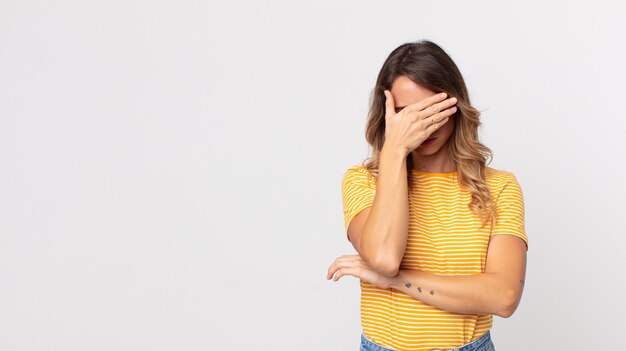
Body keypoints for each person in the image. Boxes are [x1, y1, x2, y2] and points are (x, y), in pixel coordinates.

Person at [326, 40, 528, 351]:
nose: (422, 126)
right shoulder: (363, 181)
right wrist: (394, 151)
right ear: (388, 116)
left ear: (455, 105)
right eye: (407, 115)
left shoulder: (499, 187)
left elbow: (503, 298)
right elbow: (383, 258)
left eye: (432, 110)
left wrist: (395, 282)